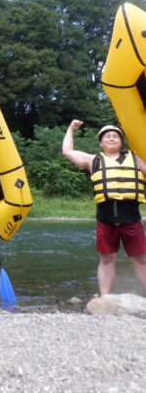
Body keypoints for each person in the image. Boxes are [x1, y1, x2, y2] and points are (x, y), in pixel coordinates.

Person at [62, 120, 146, 295]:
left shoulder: (134, 158)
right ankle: (105, 297)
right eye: (107, 136)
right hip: (105, 221)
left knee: (140, 259)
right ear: (100, 143)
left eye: (115, 136)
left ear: (121, 142)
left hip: (132, 220)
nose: (111, 138)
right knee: (107, 259)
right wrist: (71, 129)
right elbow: (67, 152)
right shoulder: (93, 160)